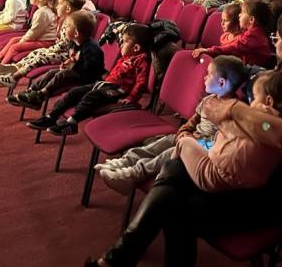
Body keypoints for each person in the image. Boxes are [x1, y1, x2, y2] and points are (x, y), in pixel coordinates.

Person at [86, 6, 282, 267]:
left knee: (176, 202)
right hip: (257, 170)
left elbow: (281, 136)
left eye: (278, 38)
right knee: (175, 169)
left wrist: (231, 109)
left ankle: (118, 258)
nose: (275, 42)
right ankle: (118, 257)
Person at [96, 55, 249, 193]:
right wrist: (184, 131)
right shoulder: (208, 99)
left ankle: (132, 174)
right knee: (162, 142)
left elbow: (219, 143)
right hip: (190, 137)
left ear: (221, 82)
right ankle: (123, 162)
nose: (204, 77)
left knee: (168, 153)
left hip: (201, 148)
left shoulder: (233, 111)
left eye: (208, 74)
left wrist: (191, 141)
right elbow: (194, 120)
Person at [177, 70, 282, 192]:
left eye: (254, 98)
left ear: (268, 101)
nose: (251, 104)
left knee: (183, 142)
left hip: (215, 174)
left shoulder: (258, 116)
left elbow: (223, 136)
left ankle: (173, 162)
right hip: (249, 181)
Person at [27, 24, 153, 135]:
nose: (121, 44)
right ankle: (51, 117)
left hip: (119, 91)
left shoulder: (141, 61)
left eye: (124, 42)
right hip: (105, 84)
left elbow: (141, 82)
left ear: (136, 48)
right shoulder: (126, 57)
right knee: (75, 92)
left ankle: (71, 123)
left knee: (92, 96)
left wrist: (131, 98)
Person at [11, 11, 105, 110]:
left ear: (76, 33)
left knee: (62, 74)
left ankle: (40, 96)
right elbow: (75, 59)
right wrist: (68, 63)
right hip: (78, 72)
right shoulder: (75, 43)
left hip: (89, 78)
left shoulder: (91, 48)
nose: (65, 28)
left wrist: (71, 67)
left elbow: (89, 70)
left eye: (67, 26)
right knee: (52, 72)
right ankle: (30, 91)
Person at [1, 0, 88, 90]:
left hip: (67, 55)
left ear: (68, 9)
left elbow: (64, 45)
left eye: (59, 4)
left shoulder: (72, 24)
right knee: (37, 52)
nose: (57, 7)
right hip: (60, 51)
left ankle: (14, 77)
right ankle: (16, 67)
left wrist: (51, 49)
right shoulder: (66, 20)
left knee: (41, 57)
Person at [0, 0, 60, 86]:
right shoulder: (42, 10)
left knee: (15, 47)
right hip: (40, 39)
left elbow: (34, 32)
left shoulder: (43, 13)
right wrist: (23, 39)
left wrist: (23, 40)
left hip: (46, 42)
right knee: (14, 40)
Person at [192, 0, 273, 66]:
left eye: (242, 13)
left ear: (251, 20)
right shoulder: (253, 32)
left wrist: (209, 50)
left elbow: (234, 47)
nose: (239, 15)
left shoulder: (253, 36)